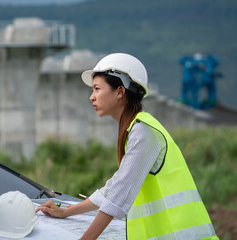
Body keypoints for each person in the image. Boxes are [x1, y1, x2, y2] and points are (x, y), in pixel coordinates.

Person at [36, 53, 218, 240]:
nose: (92, 97)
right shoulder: (137, 127)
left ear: (120, 92)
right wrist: (67, 211)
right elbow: (114, 186)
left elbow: (119, 193)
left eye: (97, 89)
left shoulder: (144, 131)